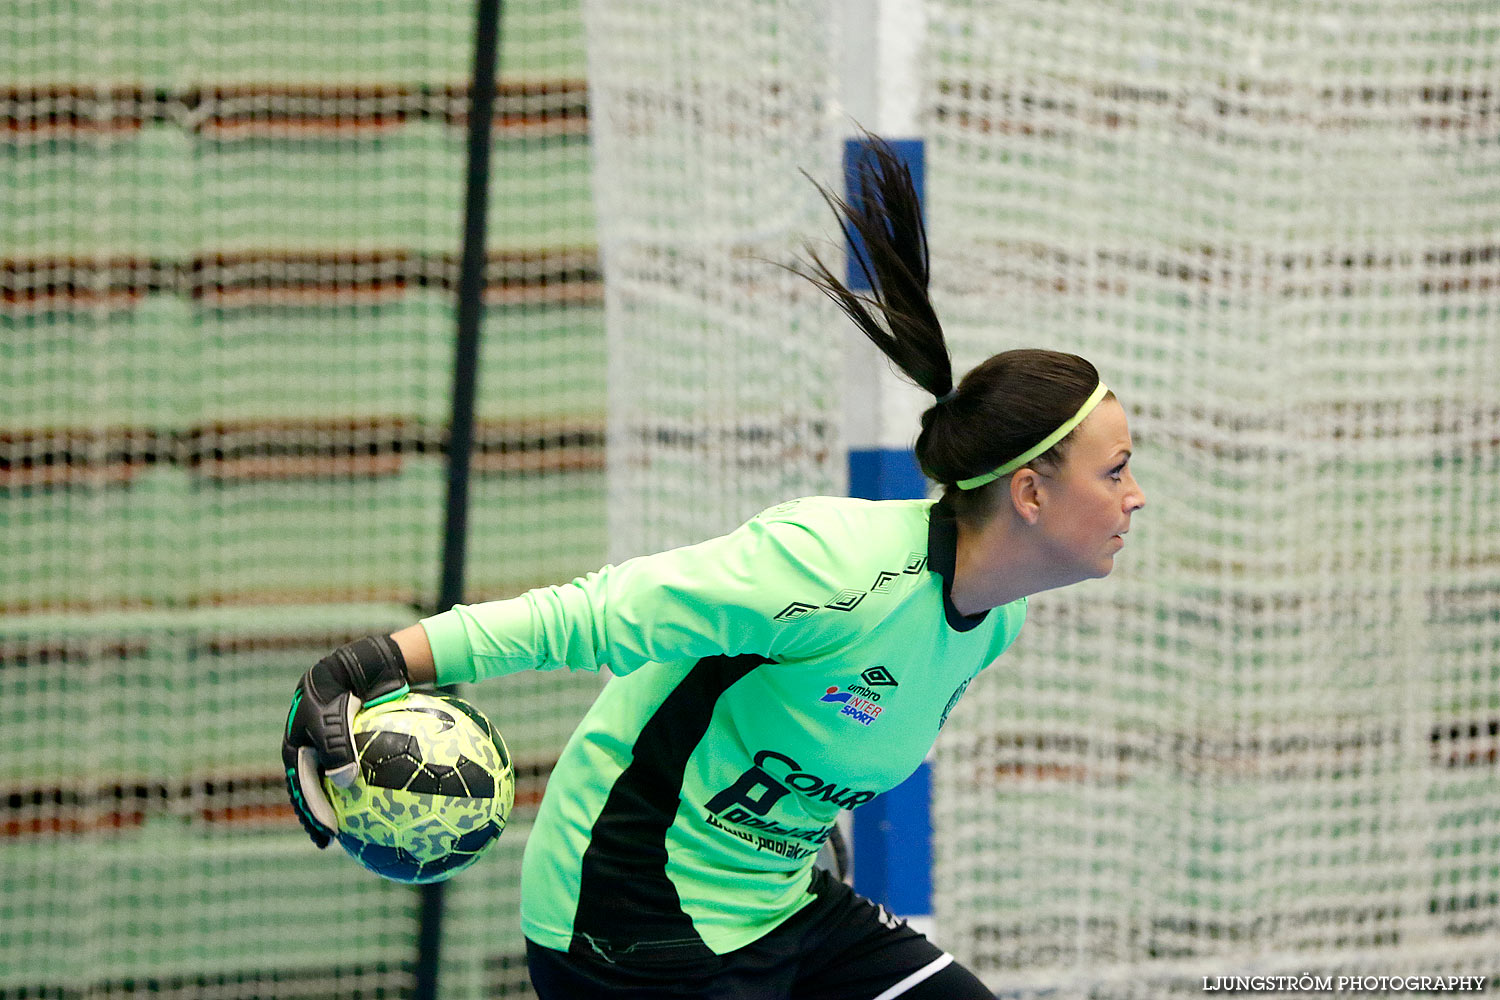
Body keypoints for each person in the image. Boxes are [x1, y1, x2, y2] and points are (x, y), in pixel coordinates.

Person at [283, 137, 1145, 999]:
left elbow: (814, 724)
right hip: (629, 920)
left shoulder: (999, 615)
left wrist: (798, 824)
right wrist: (371, 665)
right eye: (1115, 471)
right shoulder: (832, 565)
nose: (1135, 497)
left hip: (778, 907)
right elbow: (590, 614)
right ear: (1029, 494)